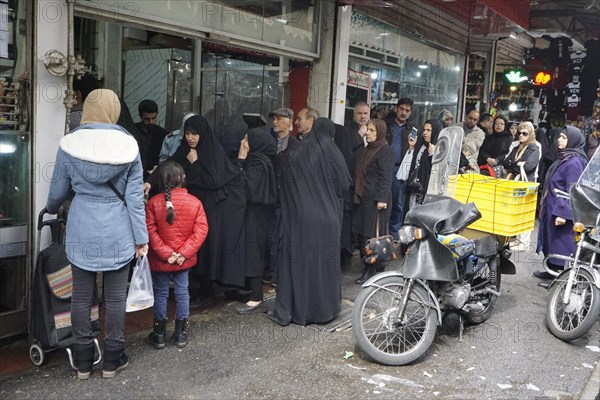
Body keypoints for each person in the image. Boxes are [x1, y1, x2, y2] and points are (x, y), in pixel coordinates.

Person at [46, 89, 148, 379]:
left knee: (81, 297)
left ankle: (81, 361)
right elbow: (134, 200)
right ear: (113, 110)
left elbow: (57, 193)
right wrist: (141, 238)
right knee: (115, 299)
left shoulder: (69, 143)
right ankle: (113, 360)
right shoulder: (129, 145)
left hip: (82, 227)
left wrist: (52, 207)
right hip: (118, 229)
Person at [150, 115, 246, 309]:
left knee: (205, 249)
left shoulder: (213, 151)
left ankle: (206, 292)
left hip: (212, 208)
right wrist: (149, 181)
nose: (191, 138)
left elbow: (215, 181)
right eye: (187, 133)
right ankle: (198, 289)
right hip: (193, 206)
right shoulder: (185, 150)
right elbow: (169, 165)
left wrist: (194, 164)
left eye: (195, 134)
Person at [268, 118, 351, 326]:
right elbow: (345, 184)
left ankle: (300, 310)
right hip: (329, 220)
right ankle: (326, 309)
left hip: (301, 219)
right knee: (324, 264)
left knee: (302, 264)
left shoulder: (297, 153)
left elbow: (285, 185)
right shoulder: (333, 153)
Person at [146, 161, 208, 349]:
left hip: (160, 258)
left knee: (161, 292)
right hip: (183, 259)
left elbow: (149, 231)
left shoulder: (153, 203)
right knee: (183, 292)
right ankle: (181, 334)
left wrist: (166, 254)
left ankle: (159, 334)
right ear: (183, 179)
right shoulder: (195, 203)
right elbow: (201, 231)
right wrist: (183, 253)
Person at [535, 126, 588, 279]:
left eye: (564, 137)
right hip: (553, 206)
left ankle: (559, 276)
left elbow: (572, 191)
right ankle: (550, 270)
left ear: (572, 140)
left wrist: (563, 214)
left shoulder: (575, 162)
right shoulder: (565, 157)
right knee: (551, 241)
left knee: (561, 245)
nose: (559, 139)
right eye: (560, 136)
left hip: (561, 210)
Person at [234, 128, 277, 313]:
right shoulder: (259, 161)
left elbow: (245, 188)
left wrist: (241, 160)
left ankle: (256, 296)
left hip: (256, 215)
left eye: (247, 139)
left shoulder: (258, 164)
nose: (243, 142)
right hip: (255, 214)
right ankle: (250, 289)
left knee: (253, 250)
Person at [352, 119, 395, 284]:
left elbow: (386, 177)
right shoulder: (368, 149)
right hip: (365, 199)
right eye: (367, 129)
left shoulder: (385, 150)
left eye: (372, 130)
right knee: (364, 234)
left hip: (377, 201)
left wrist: (382, 199)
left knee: (373, 236)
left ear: (380, 133)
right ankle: (369, 267)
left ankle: (373, 270)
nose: (367, 133)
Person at [385, 97, 415, 240]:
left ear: (410, 112)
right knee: (382, 200)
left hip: (400, 170)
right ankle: (381, 232)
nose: (404, 112)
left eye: (407, 110)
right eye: (402, 109)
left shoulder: (412, 130)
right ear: (396, 108)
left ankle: (394, 233)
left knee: (397, 203)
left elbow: (414, 150)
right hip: (384, 168)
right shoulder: (386, 124)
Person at [407, 119, 443, 207]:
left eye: (429, 130)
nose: (425, 133)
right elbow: (413, 164)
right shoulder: (421, 146)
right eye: (424, 130)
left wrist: (432, 155)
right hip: (415, 190)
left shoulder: (441, 148)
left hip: (429, 193)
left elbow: (438, 172)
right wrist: (412, 147)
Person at [135, 99, 168, 178]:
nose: (151, 122)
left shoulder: (163, 134)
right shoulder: (133, 131)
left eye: (154, 118)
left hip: (154, 177)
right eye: (147, 119)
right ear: (140, 116)